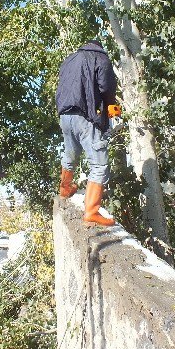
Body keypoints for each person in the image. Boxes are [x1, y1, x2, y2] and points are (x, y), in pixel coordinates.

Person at [55, 39, 120, 226]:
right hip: (85, 115)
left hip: (65, 115)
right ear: (100, 47)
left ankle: (65, 188)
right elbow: (106, 87)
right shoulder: (100, 58)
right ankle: (91, 211)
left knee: (70, 154)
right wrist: (111, 105)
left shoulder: (70, 59)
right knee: (99, 164)